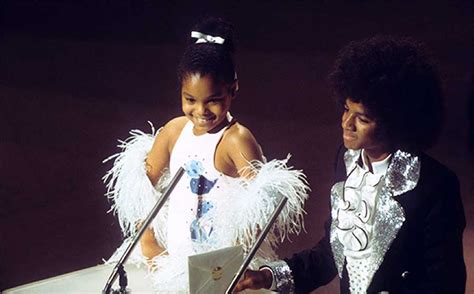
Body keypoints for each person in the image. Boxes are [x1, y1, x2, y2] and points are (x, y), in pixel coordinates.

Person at [235, 36, 467, 293]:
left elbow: (446, 284)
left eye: (363, 118)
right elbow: (331, 253)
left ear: (396, 122)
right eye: (346, 109)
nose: (346, 123)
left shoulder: (435, 186)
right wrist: (268, 276)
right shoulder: (346, 164)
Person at [103, 17, 309, 292]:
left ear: (233, 89)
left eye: (213, 100)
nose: (201, 111)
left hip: (219, 270)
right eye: (190, 99)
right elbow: (140, 191)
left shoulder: (236, 139)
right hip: (171, 261)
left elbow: (259, 211)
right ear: (181, 90)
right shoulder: (174, 132)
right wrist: (150, 242)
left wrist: (233, 263)